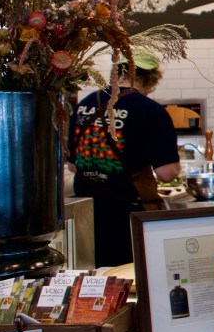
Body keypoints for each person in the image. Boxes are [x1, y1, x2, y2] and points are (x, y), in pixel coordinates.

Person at [68, 49, 181, 268]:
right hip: (125, 215)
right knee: (126, 281)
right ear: (149, 78)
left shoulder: (85, 104)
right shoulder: (150, 110)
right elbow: (167, 173)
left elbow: (73, 165)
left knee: (92, 282)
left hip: (84, 214)